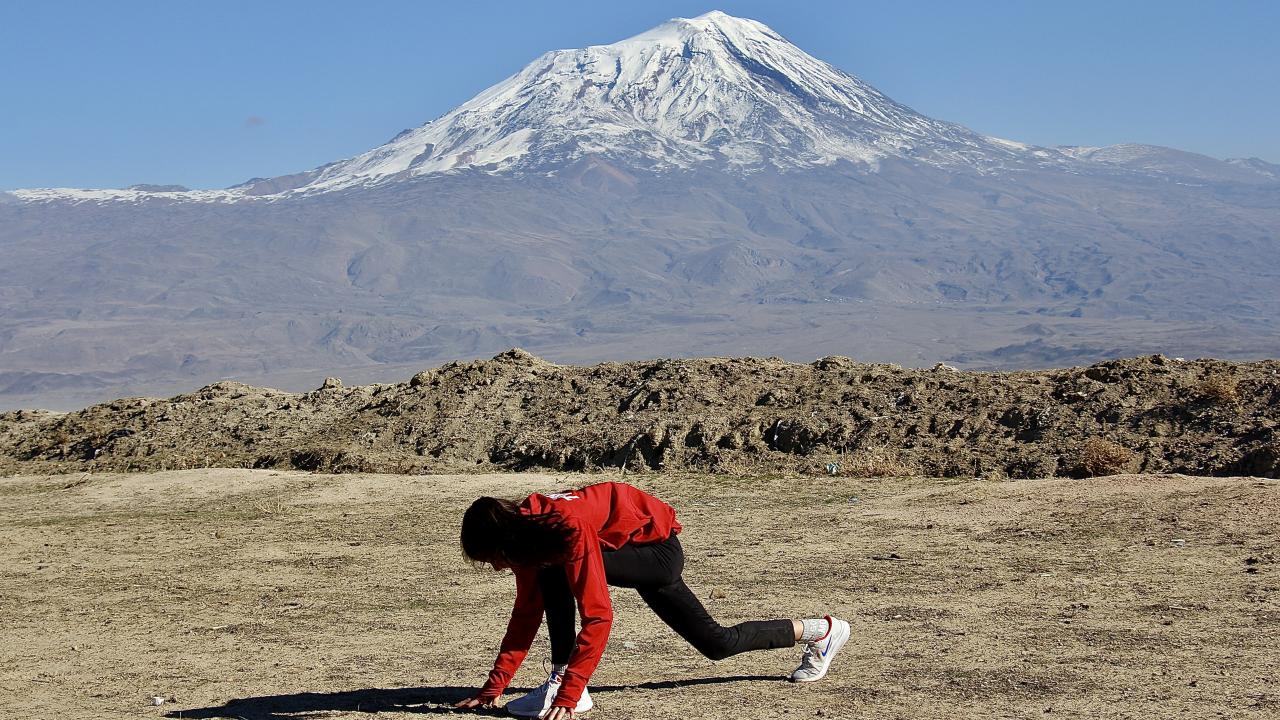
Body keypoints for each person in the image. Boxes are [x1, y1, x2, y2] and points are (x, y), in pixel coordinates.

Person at [453, 481, 850, 719]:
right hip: (626, 550)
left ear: (503, 543)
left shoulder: (560, 531)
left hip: (657, 554)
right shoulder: (528, 538)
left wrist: (573, 690)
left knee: (555, 571)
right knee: (717, 643)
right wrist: (494, 687)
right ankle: (819, 631)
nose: (496, 569)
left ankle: (563, 683)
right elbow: (526, 614)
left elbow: (598, 615)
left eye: (493, 560)